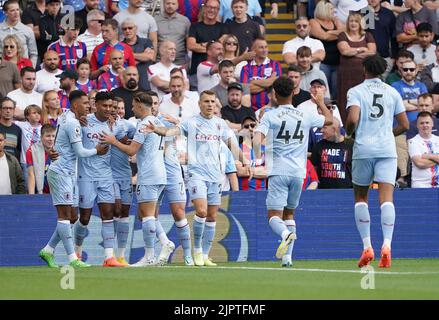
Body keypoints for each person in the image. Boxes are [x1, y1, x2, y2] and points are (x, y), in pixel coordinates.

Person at [144, 90, 245, 266]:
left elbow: (232, 145)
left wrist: (246, 162)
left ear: (215, 104)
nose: (210, 104)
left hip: (216, 176)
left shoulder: (220, 124)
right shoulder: (191, 123)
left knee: (212, 216)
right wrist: (157, 130)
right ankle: (196, 251)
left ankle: (205, 255)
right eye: (206, 101)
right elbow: (173, 130)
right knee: (201, 211)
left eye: (212, 101)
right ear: (199, 104)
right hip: (196, 174)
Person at [252, 76, 333, 267]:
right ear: (293, 93)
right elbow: (330, 120)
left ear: (274, 93)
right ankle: (287, 258)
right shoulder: (304, 114)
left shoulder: (270, 115)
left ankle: (285, 234)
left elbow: (256, 140)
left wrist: (257, 159)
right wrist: (320, 102)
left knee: (273, 216)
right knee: (289, 214)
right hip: (299, 172)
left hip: (278, 170)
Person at [345, 54, 409, 269]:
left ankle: (367, 246)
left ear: (365, 69)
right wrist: (388, 134)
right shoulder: (392, 92)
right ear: (382, 70)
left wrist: (350, 133)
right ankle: (387, 245)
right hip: (386, 150)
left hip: (363, 149)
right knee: (386, 199)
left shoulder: (355, 91)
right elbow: (405, 125)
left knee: (361, 197)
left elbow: (353, 119)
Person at [38, 90, 109, 269]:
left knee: (72, 217)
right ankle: (72, 259)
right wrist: (97, 151)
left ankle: (48, 249)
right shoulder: (72, 123)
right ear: (76, 105)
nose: (89, 106)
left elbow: (61, 138)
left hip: (68, 172)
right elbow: (80, 152)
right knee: (64, 217)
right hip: (61, 172)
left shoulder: (66, 117)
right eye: (86, 103)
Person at [100, 92, 167, 267]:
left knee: (146, 216)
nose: (131, 108)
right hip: (161, 174)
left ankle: (149, 256)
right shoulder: (156, 121)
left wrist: (113, 141)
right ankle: (163, 245)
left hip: (148, 175)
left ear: (139, 103)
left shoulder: (144, 124)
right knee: (147, 214)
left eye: (133, 105)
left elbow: (131, 151)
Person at [73, 91, 126, 267]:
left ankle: (109, 257)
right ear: (96, 105)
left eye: (111, 106)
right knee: (85, 218)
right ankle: (77, 251)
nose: (108, 109)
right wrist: (78, 119)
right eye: (105, 106)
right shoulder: (84, 121)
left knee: (108, 214)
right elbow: (66, 124)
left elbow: (132, 130)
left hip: (105, 176)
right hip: (86, 176)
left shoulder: (116, 125)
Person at [109, 96, 136, 264]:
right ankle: (109, 254)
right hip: (108, 174)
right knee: (116, 209)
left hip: (125, 173)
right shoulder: (102, 125)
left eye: (121, 108)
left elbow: (137, 145)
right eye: (115, 107)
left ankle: (121, 256)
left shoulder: (129, 126)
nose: (118, 111)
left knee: (125, 213)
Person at [337, 11, 376, 123]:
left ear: (360, 23)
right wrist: (361, 50)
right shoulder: (342, 35)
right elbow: (345, 51)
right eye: (351, 21)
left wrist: (353, 52)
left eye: (356, 21)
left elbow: (372, 53)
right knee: (346, 98)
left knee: (364, 98)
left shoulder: (368, 35)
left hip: (364, 75)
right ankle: (346, 126)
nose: (353, 23)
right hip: (347, 75)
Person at [186, 0, 227, 90]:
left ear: (218, 10)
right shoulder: (195, 27)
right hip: (196, 72)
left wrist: (202, 45)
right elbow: (191, 45)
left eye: (215, 8)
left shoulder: (224, 27)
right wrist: (213, 47)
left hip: (217, 73)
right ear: (204, 8)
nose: (212, 10)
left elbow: (221, 48)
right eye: (209, 7)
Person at [310, 1, 344, 99]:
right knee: (322, 88)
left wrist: (330, 32)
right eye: (331, 9)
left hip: (336, 61)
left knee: (335, 90)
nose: (334, 11)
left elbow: (344, 33)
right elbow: (324, 36)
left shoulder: (335, 20)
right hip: (322, 62)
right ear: (323, 10)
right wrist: (334, 34)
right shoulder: (313, 21)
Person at [240, 37, 281, 111]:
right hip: (251, 110)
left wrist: (253, 82)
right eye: (261, 47)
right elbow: (246, 89)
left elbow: (276, 84)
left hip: (272, 109)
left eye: (266, 47)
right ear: (254, 50)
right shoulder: (246, 68)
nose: (265, 50)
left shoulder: (275, 64)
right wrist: (269, 82)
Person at [311, 118, 353, 189]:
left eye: (324, 128)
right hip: (323, 192)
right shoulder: (319, 146)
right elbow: (314, 171)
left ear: (334, 129)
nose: (321, 131)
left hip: (346, 192)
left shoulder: (351, 145)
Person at [0, 0, 38, 67]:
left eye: (17, 10)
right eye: (12, 10)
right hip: (3, 69)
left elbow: (33, 54)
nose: (16, 13)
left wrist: (30, 69)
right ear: (5, 13)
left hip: (23, 70)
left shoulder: (27, 30)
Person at [121, 18, 155, 92]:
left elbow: (150, 56)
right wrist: (142, 56)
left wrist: (128, 55)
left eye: (130, 28)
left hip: (145, 84)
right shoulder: (120, 45)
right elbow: (121, 62)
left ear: (136, 29)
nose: (127, 31)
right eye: (124, 29)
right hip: (127, 86)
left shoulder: (146, 41)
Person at [155, 0, 191, 67]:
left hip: (180, 62)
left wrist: (188, 62)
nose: (170, 6)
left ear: (177, 5)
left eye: (173, 4)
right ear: (163, 4)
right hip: (160, 62)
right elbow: (153, 42)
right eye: (168, 3)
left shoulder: (185, 21)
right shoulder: (155, 20)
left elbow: (188, 44)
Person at [408, 111, 439, 188]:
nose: (425, 125)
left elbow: (422, 161)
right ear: (417, 125)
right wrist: (437, 160)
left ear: (432, 124)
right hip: (420, 185)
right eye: (422, 123)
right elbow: (419, 163)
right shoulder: (412, 141)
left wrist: (427, 156)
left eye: (427, 122)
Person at [236, 115, 267, 191]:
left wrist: (249, 170)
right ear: (241, 130)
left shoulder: (265, 149)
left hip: (262, 194)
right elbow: (240, 172)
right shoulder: (237, 149)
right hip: (243, 194)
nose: (250, 128)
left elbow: (268, 172)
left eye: (253, 125)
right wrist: (260, 170)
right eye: (246, 127)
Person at [26, 124, 56, 194]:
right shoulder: (32, 151)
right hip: (40, 192)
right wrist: (31, 196)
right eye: (48, 136)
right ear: (41, 137)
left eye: (53, 136)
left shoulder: (60, 150)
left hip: (57, 192)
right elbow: (31, 174)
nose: (51, 139)